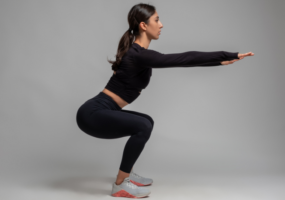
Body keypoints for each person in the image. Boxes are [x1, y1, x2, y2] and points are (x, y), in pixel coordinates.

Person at [76, 3, 254, 198]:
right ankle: (120, 184)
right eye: (157, 20)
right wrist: (227, 55)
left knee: (147, 121)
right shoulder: (138, 55)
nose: (161, 25)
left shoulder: (138, 54)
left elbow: (186, 60)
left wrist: (219, 61)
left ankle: (127, 175)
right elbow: (185, 58)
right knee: (143, 125)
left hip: (100, 110)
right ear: (144, 25)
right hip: (92, 114)